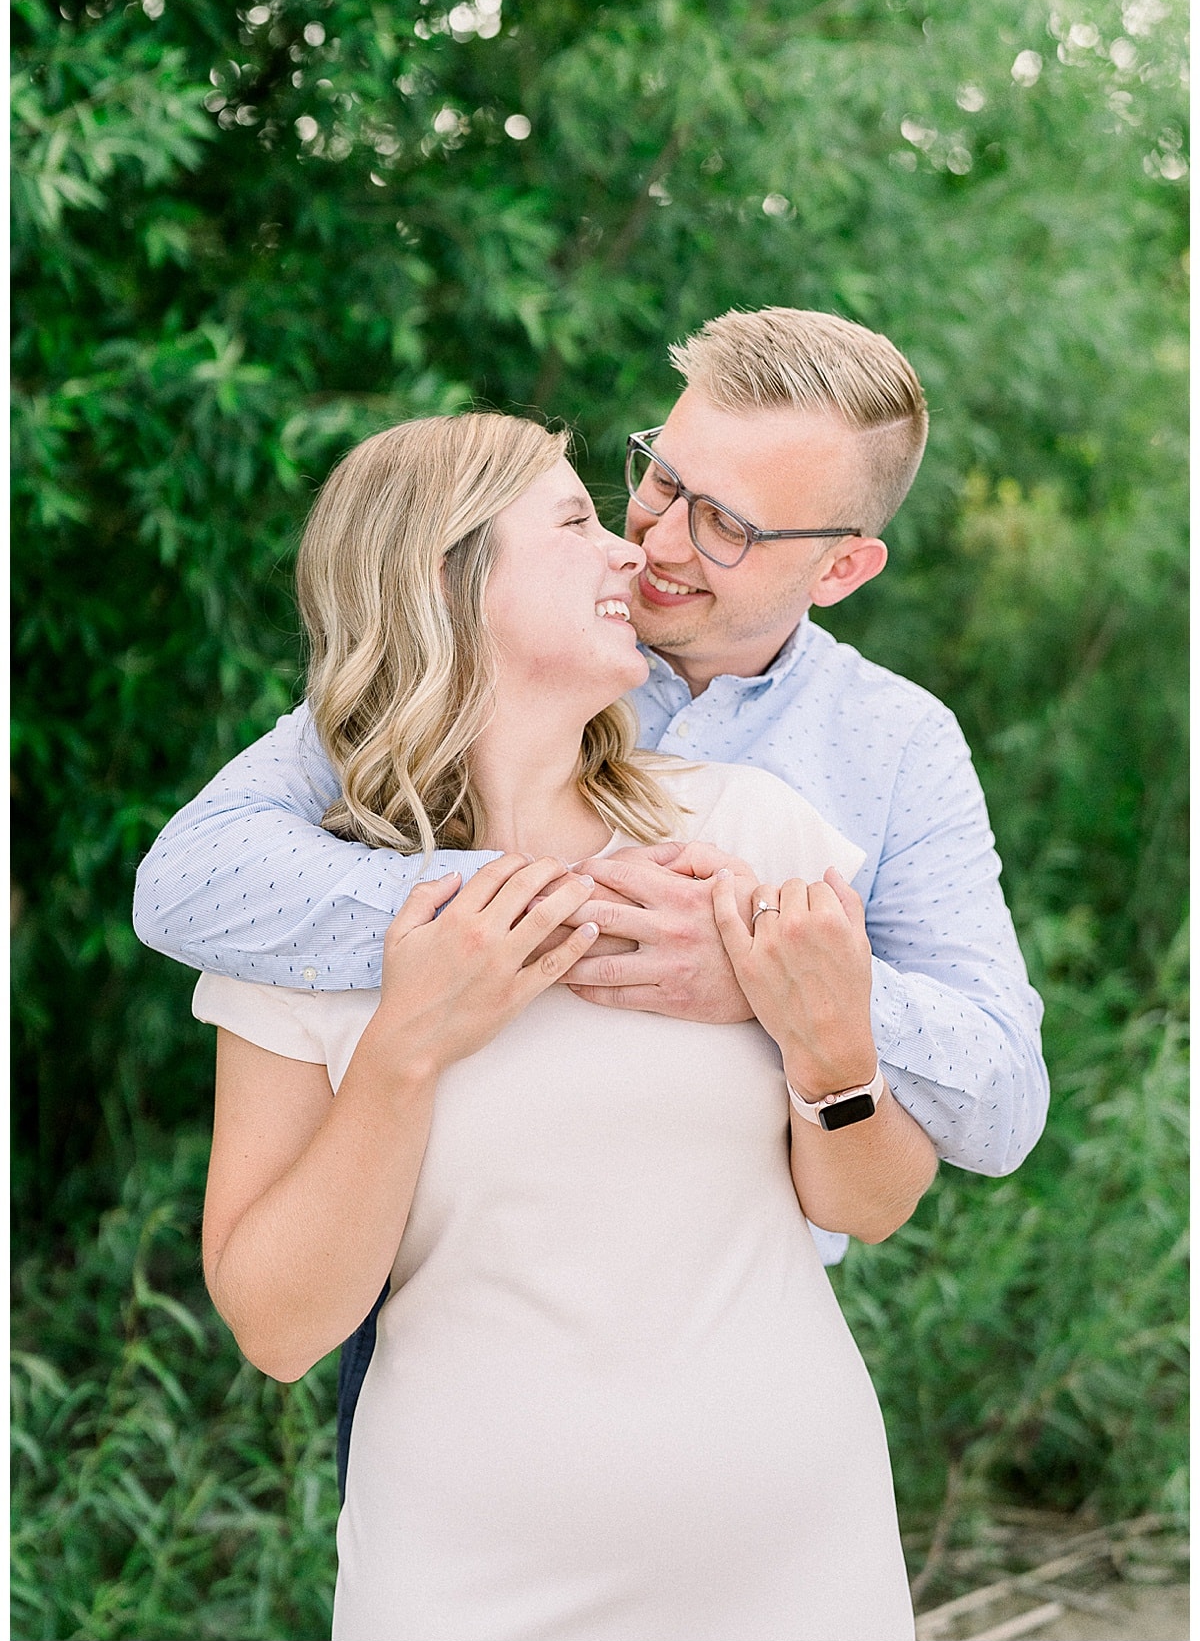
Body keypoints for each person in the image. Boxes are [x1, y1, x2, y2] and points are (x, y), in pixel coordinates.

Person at [189, 411, 932, 1638]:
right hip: (468, 1587)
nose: (632, 554)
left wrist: (835, 1052)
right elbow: (275, 1326)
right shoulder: (301, 914)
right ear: (445, 574)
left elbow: (874, 1202)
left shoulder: (752, 833)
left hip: (804, 1568)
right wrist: (406, 1046)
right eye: (579, 520)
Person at [134, 307, 1048, 1215]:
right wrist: (553, 910)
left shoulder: (898, 743)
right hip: (449, 1259)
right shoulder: (503, 648)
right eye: (661, 478)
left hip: (746, 1282)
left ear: (840, 570)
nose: (656, 540)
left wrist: (770, 978)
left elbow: (1004, 1098)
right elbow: (187, 882)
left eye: (726, 524)